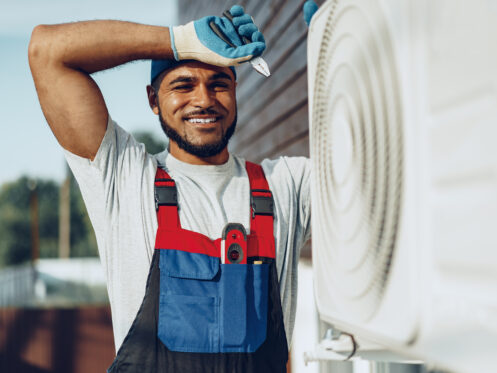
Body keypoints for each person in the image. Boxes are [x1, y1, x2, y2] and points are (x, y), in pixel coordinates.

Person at [28, 5, 310, 372]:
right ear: (152, 100)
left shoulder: (287, 185)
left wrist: (338, 41)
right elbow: (46, 51)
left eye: (218, 83)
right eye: (183, 84)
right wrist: (180, 40)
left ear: (235, 90)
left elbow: (382, 165)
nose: (204, 100)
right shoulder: (126, 178)